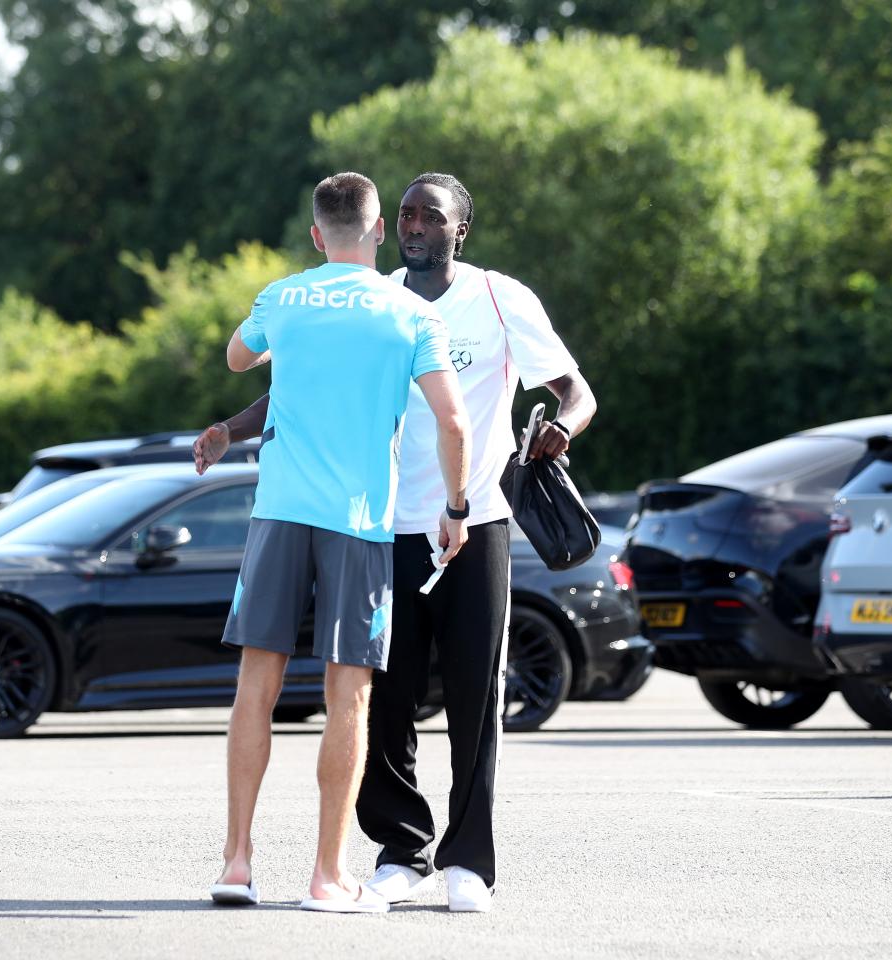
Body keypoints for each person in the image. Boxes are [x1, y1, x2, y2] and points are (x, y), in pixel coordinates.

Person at [196, 172, 594, 913]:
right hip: (382, 522)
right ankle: (400, 852)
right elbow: (298, 389)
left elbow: (576, 391)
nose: (415, 226)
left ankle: (468, 861)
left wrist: (558, 432)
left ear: (460, 229)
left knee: (474, 693)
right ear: (383, 228)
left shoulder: (499, 298)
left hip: (472, 521)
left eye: (430, 216)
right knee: (382, 701)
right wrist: (233, 427)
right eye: (405, 214)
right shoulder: (383, 300)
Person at [207, 171, 471, 915]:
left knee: (256, 684)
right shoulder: (412, 312)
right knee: (347, 693)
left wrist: (289, 341)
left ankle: (236, 863)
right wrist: (456, 507)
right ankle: (328, 877)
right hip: (359, 521)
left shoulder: (283, 297)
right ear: (380, 230)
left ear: (316, 234)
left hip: (279, 510)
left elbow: (237, 358)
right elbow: (453, 422)